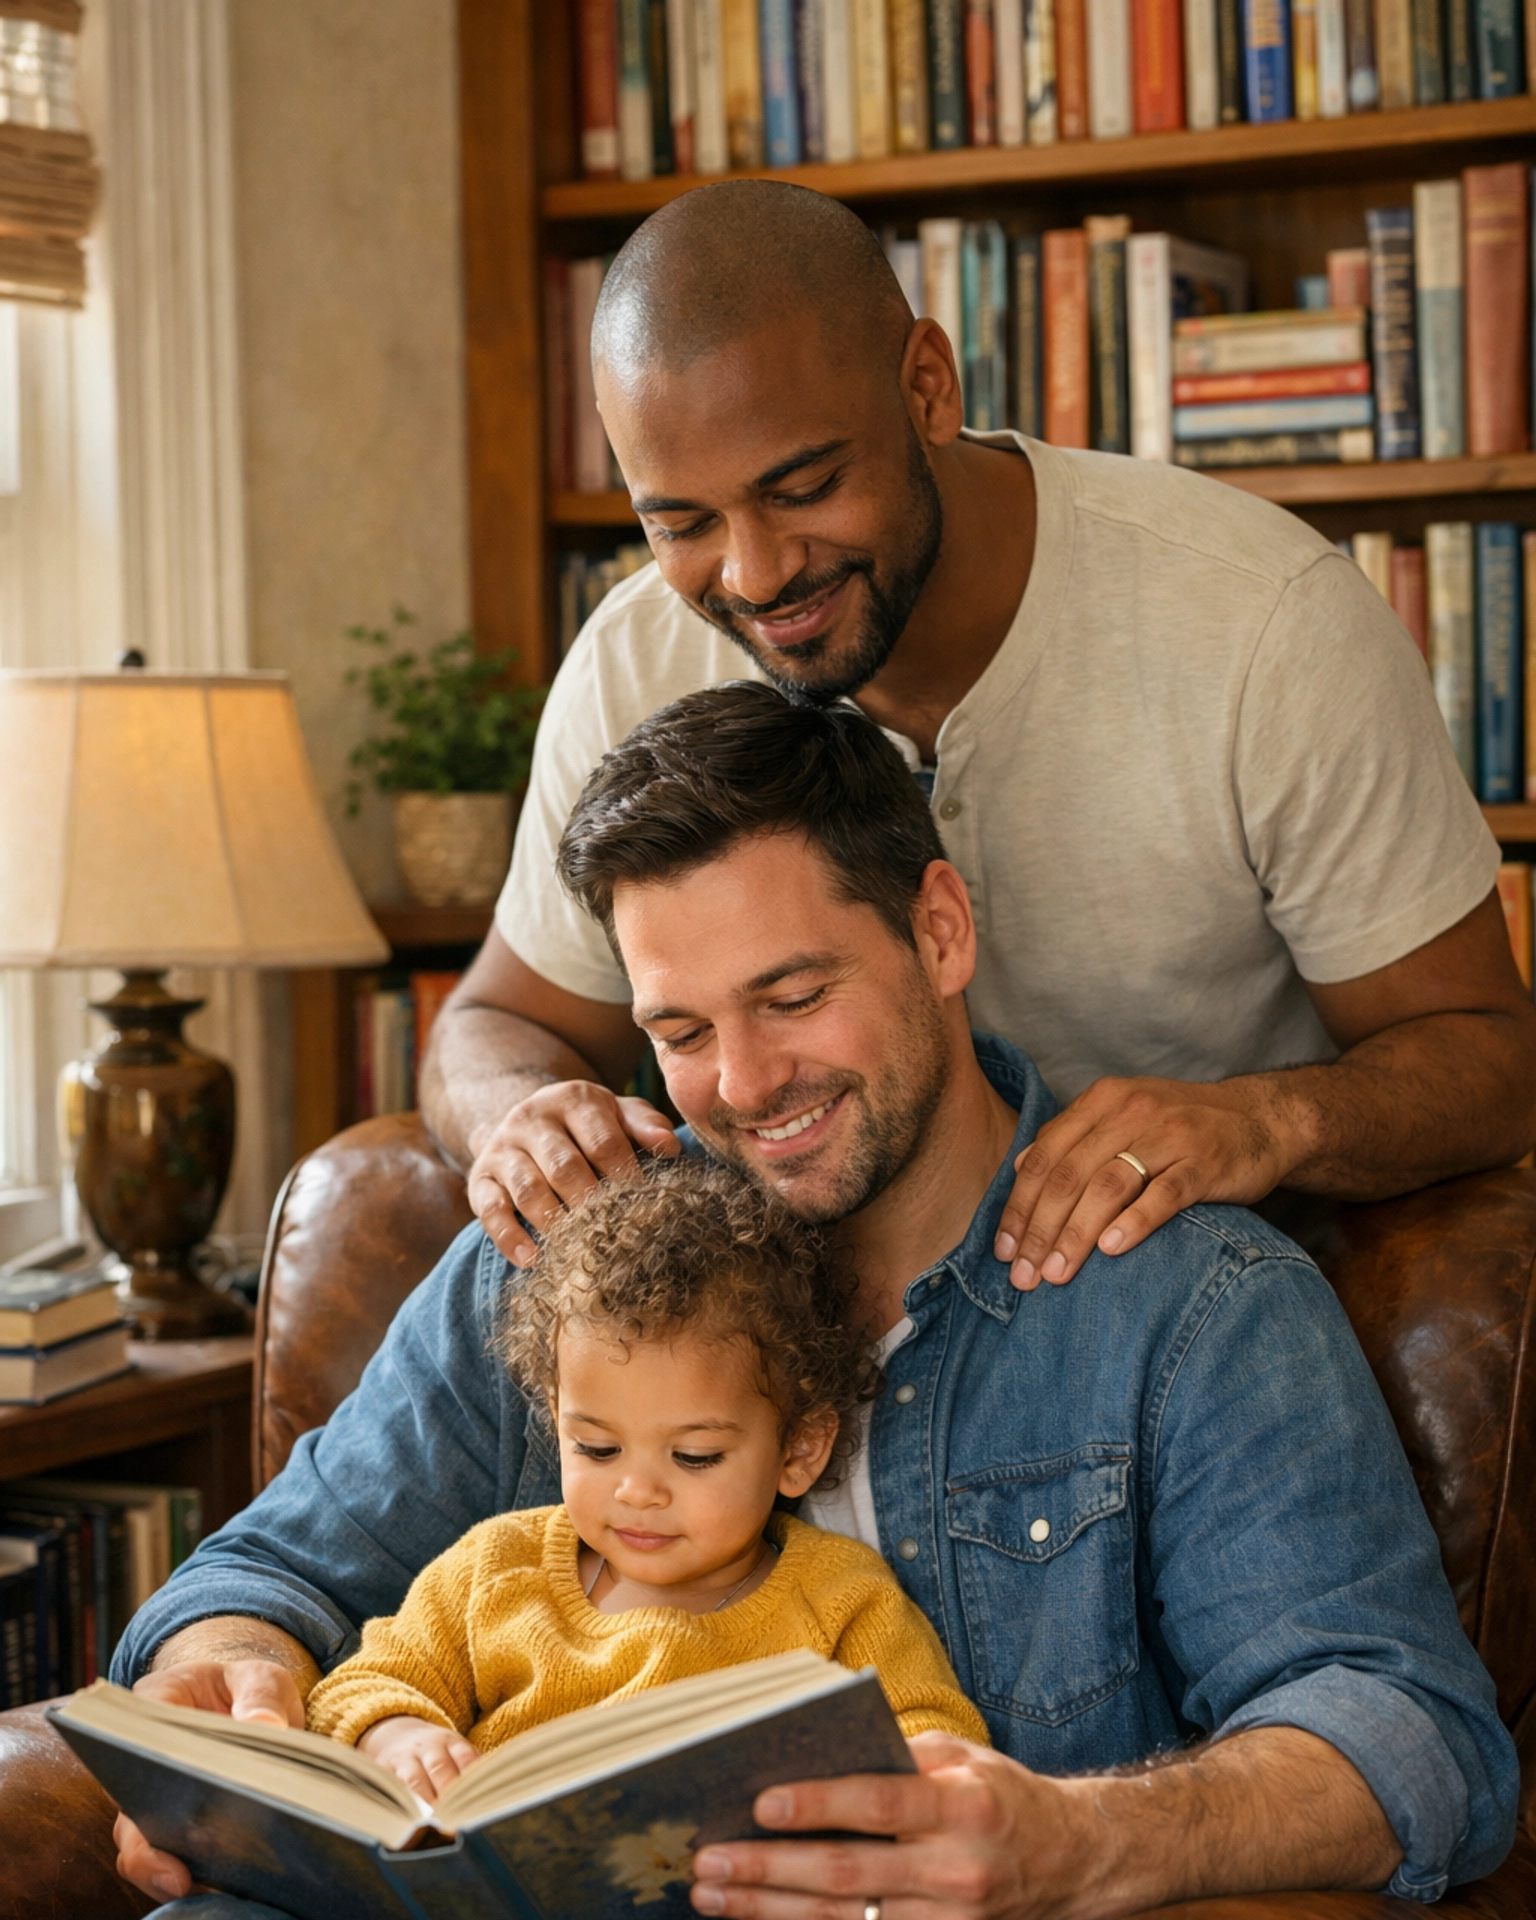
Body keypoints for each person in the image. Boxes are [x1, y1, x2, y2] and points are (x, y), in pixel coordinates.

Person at [0, 686, 1516, 1920]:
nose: (740, 1080)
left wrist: (1074, 1842)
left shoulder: (1185, 1294)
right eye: (678, 1027)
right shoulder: (579, 1248)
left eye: (793, 994)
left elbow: (1411, 1735)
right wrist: (227, 1693)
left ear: (938, 927)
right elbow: (271, 1569)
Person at [418, 178, 1536, 1296]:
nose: (755, 575)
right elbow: (494, 1023)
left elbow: (1494, 1057)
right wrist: (524, 1120)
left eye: (804, 487)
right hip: (798, 1343)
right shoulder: (633, 659)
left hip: (1177, 1316)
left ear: (927, 388)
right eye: (683, 523)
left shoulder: (1263, 626)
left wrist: (1267, 1120)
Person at [66, 1160, 985, 1920]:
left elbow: (935, 1765)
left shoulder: (841, 1602)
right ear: (551, 1410)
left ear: (797, 1448)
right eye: (595, 1447)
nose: (637, 1493)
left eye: (693, 1457)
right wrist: (398, 1733)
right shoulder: (497, 1568)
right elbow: (365, 1684)